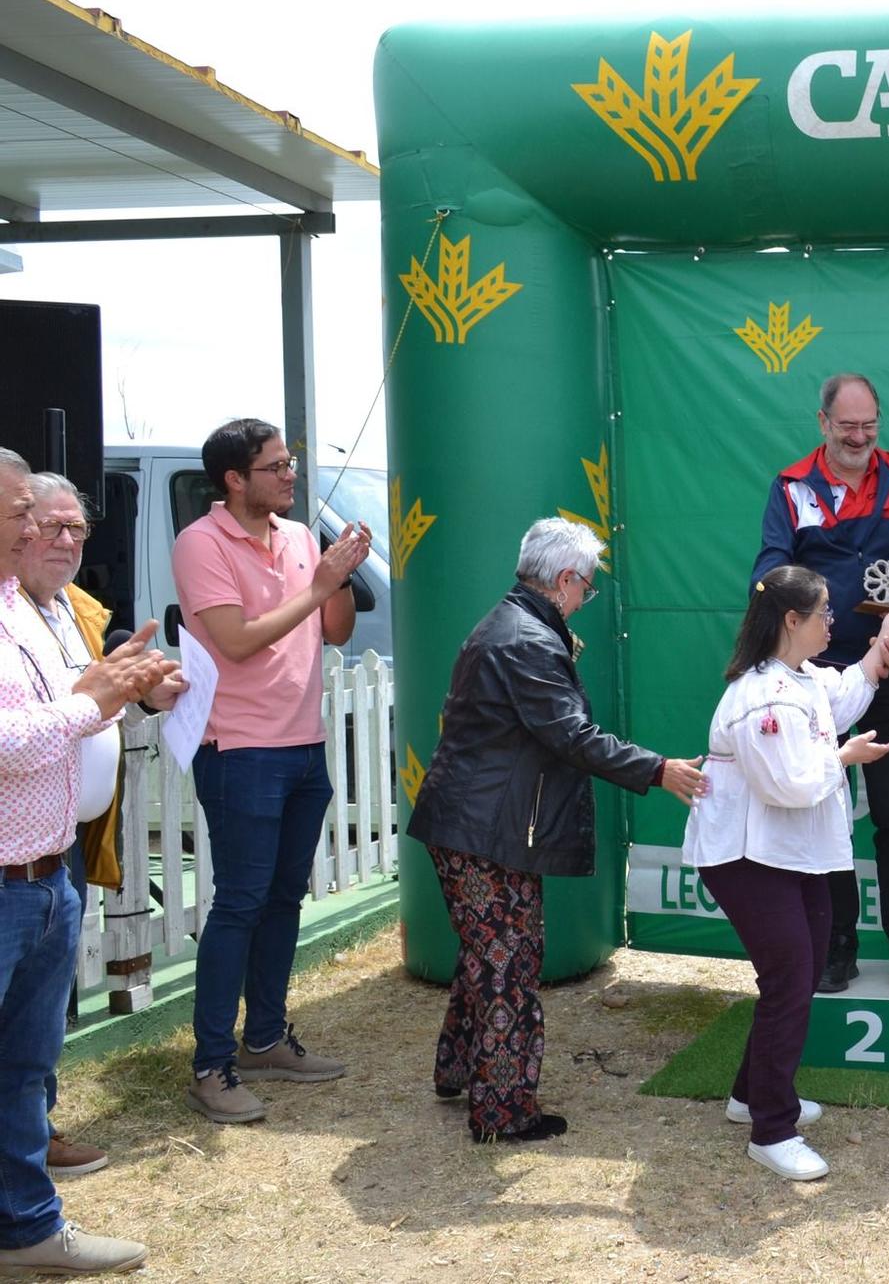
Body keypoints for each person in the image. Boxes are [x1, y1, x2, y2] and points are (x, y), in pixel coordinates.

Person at [408, 518, 706, 1142]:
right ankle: (502, 1111)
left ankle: (459, 1068)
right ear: (564, 579)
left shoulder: (517, 625)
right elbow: (572, 735)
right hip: (487, 828)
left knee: (489, 953)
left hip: (477, 820)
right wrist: (658, 770)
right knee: (507, 964)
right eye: (586, 588)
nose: (586, 599)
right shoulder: (528, 640)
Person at [682, 565, 889, 1180]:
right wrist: (844, 756)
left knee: (800, 970)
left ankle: (751, 1097)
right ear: (792, 621)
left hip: (786, 853)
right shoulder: (762, 698)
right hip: (746, 856)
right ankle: (771, 1129)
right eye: (823, 614)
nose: (831, 623)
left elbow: (840, 696)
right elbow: (790, 786)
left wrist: (879, 649)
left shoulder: (800, 677)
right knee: (791, 979)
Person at [0, 445, 174, 1276]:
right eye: (25, 515)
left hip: (47, 871)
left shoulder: (40, 606)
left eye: (62, 519)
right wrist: (90, 701)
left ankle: (28, 1229)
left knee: (25, 1068)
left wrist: (123, 681)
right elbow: (6, 743)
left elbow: (75, 696)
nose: (43, 529)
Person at [171, 418, 374, 1124]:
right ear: (234, 478)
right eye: (276, 466)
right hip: (239, 748)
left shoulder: (296, 536)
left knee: (284, 897)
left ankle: (263, 1037)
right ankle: (211, 1064)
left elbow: (338, 631)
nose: (290, 475)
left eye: (290, 463)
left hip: (302, 745)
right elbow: (235, 641)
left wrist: (338, 576)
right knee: (239, 902)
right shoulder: (200, 543)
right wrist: (320, 585)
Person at [754, 374, 889, 996]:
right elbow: (770, 573)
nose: (859, 437)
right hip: (814, 677)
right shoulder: (793, 485)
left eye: (869, 425)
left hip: (888, 666)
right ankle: (836, 948)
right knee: (823, 811)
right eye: (847, 425)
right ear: (823, 422)